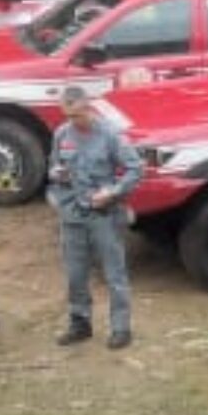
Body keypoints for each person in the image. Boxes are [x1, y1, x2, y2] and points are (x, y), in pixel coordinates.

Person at [49, 87, 142, 350]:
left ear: (88, 108)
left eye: (78, 115)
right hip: (72, 213)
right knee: (75, 272)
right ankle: (80, 323)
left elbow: (135, 169)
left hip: (104, 214)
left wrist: (112, 192)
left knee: (114, 272)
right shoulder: (62, 134)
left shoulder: (110, 134)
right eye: (68, 115)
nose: (74, 121)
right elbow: (53, 167)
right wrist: (58, 174)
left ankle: (121, 327)